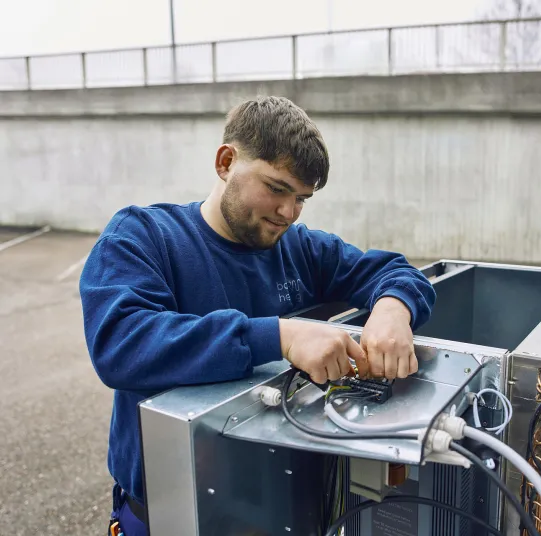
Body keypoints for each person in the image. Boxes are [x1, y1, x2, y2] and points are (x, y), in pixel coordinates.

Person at [79, 96, 436, 536]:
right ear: (226, 162)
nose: (288, 213)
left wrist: (392, 310)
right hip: (168, 514)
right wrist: (281, 336)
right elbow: (121, 342)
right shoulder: (144, 237)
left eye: (302, 198)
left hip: (292, 507)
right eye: (277, 188)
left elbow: (397, 272)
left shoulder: (301, 249)